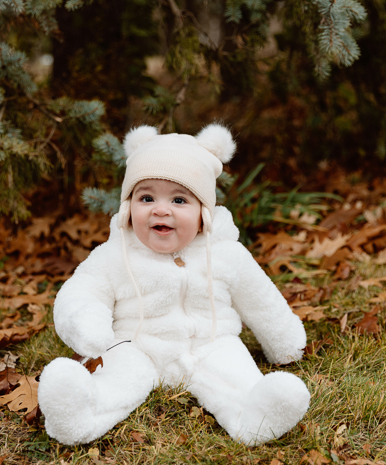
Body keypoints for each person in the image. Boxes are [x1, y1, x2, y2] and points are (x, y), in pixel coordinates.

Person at [38, 124, 310, 446]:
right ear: (128, 207)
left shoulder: (225, 254)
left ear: (203, 214)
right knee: (117, 379)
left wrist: (286, 344)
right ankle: (80, 413)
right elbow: (84, 290)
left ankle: (255, 416)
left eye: (179, 199)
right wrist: (87, 323)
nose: (161, 209)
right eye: (147, 197)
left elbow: (261, 299)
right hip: (137, 344)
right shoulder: (114, 255)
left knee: (234, 371)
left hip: (211, 342)